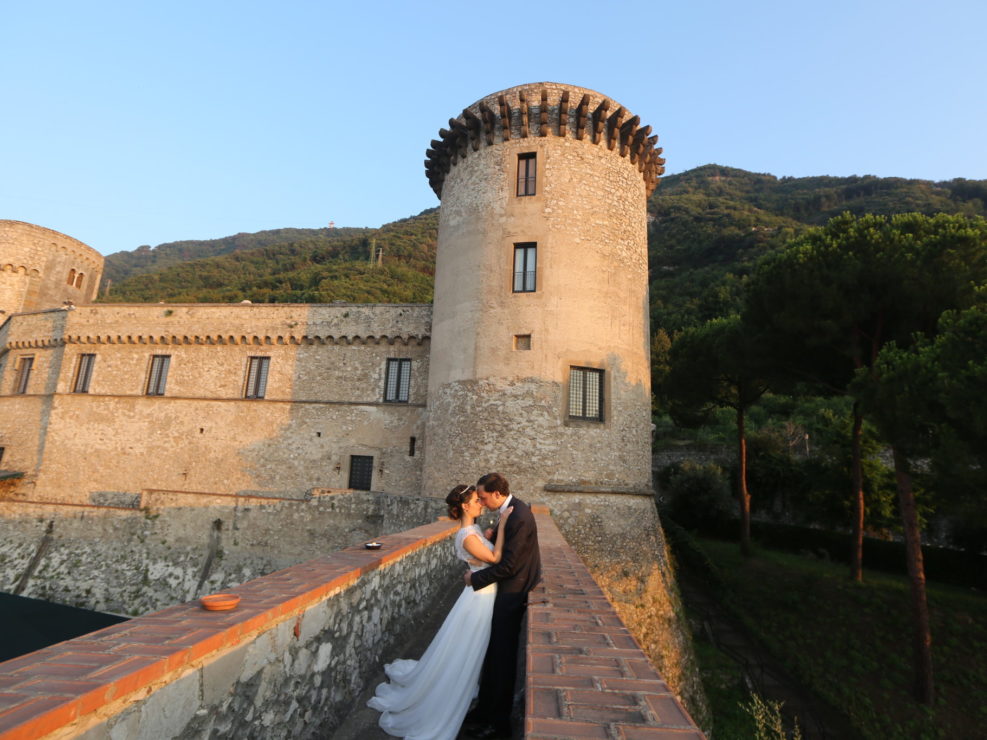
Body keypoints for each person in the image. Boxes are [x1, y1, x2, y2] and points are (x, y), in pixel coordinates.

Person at [367, 484, 513, 739]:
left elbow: (480, 558)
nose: (481, 502)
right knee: (466, 650)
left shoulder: (473, 530)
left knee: (465, 649)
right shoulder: (467, 534)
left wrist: (487, 537)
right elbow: (495, 559)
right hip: (479, 599)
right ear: (465, 506)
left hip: (481, 595)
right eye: (477, 500)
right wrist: (502, 526)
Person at [462, 472, 541, 740]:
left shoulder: (518, 515)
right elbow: (508, 552)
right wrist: (494, 534)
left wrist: (475, 579)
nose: (481, 503)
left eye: (483, 497)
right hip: (509, 590)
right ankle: (485, 711)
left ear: (497, 493)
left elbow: (509, 565)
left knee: (502, 660)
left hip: (512, 594)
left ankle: (497, 723)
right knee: (495, 657)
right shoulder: (513, 511)